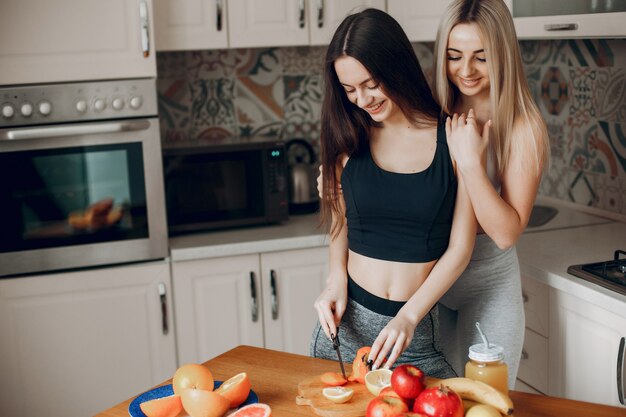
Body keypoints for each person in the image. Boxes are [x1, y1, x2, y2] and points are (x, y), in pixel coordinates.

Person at [309, 8, 477, 378]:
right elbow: (340, 217)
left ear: (396, 67)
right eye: (349, 90)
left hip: (411, 339)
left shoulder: (453, 138)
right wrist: (334, 280)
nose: (362, 99)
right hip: (343, 333)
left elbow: (460, 249)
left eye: (370, 83)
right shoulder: (349, 135)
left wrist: (409, 316)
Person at [433, 0, 550, 388]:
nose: (465, 71)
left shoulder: (522, 126)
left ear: (502, 55)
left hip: (487, 287)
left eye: (481, 57)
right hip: (427, 283)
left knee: (487, 404)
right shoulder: (430, 110)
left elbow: (506, 232)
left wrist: (470, 163)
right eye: (454, 56)